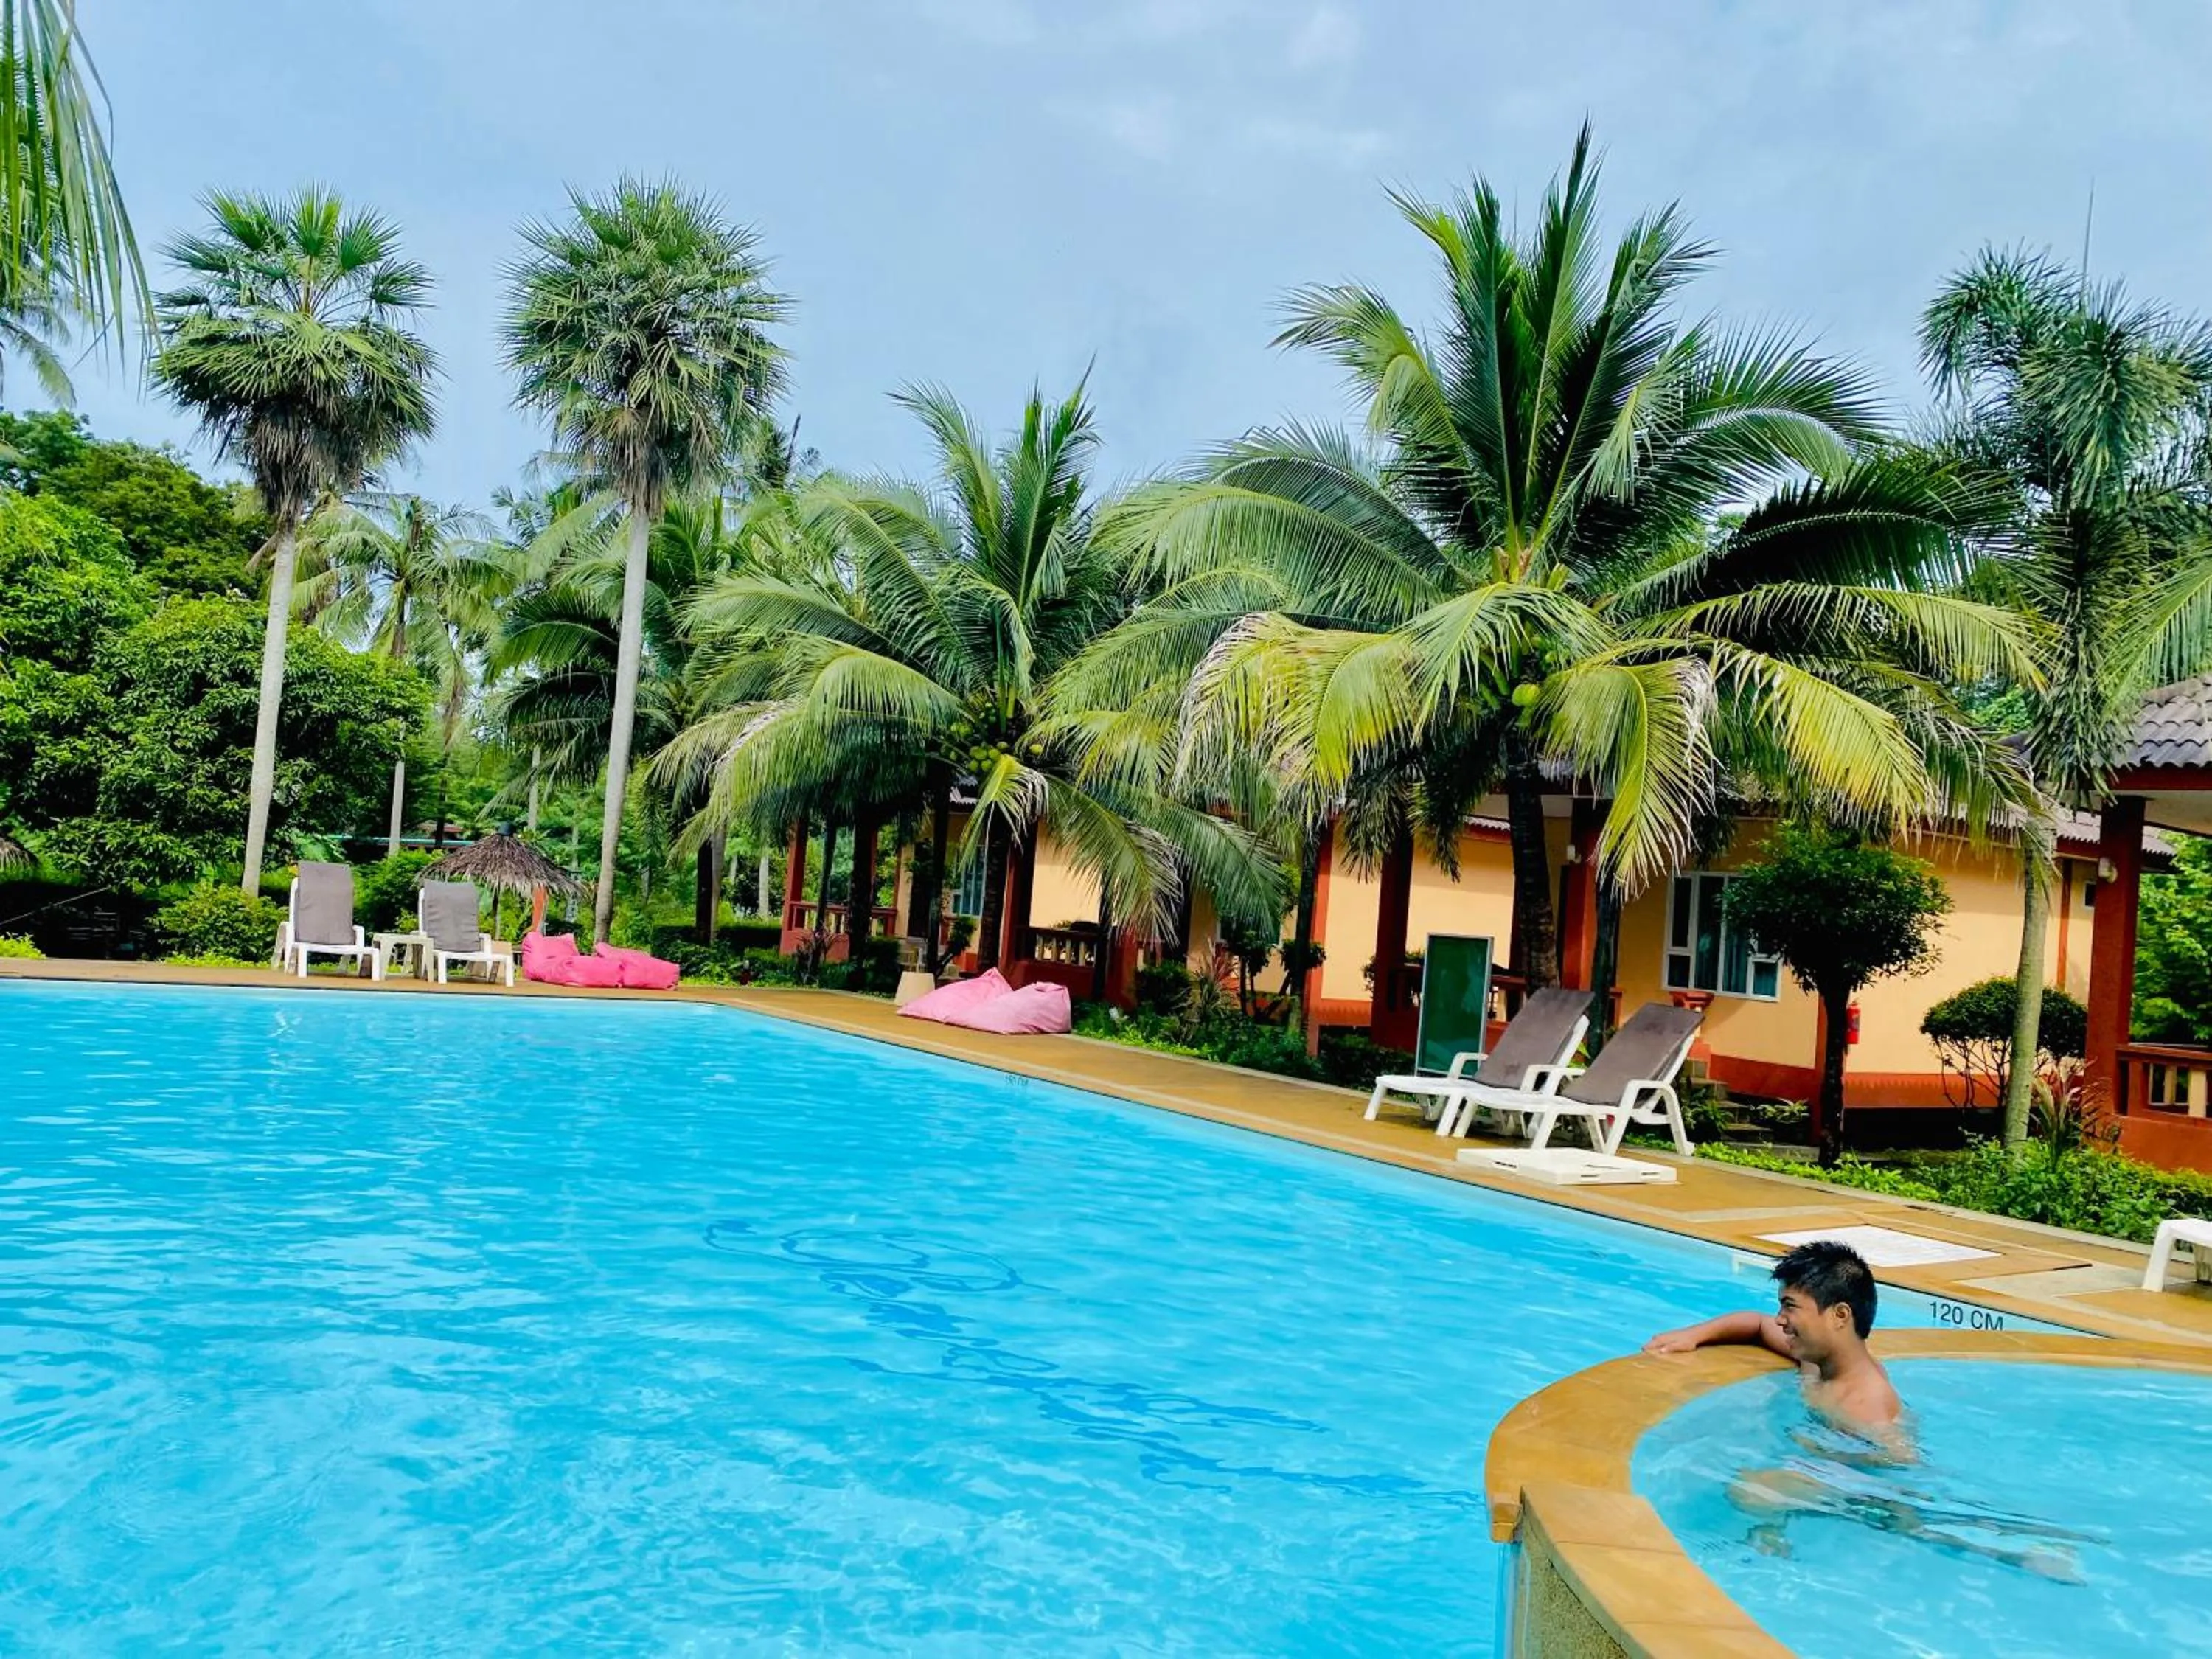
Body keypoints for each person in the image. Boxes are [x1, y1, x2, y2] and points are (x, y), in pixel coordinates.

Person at [1644, 1239, 1902, 1440]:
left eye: (1790, 1307)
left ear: (1840, 1315)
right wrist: (1693, 1335)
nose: (1779, 1319)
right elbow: (1756, 1323)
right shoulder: (1817, 1361)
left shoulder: (1864, 1408)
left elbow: (1896, 1473)